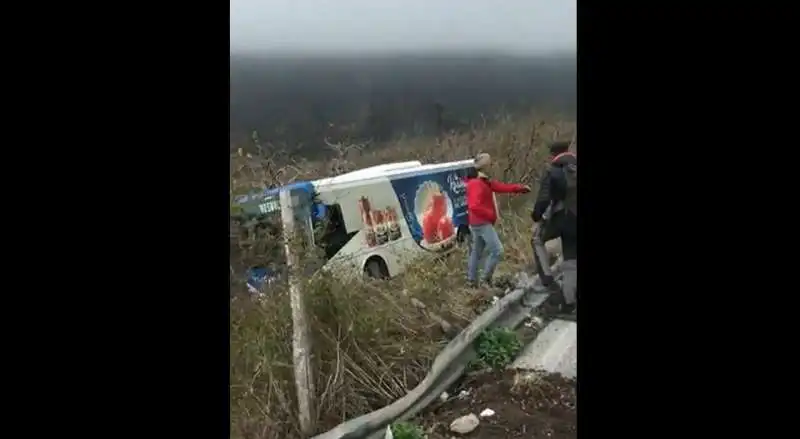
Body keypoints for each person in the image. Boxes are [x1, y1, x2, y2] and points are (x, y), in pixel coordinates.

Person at [465, 153, 531, 288]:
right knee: (497, 250)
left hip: (478, 222)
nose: (492, 166)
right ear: (484, 167)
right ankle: (485, 279)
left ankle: (472, 281)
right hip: (482, 223)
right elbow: (474, 206)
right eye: (490, 164)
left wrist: (519, 188)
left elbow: (501, 187)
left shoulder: (484, 181)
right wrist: (491, 215)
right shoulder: (476, 184)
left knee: (477, 251)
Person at [531, 141, 577, 314]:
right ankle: (569, 302)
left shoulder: (553, 171)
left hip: (563, 218)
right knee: (572, 258)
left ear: (553, 155)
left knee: (536, 239)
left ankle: (549, 281)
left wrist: (536, 218)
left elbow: (543, 200)